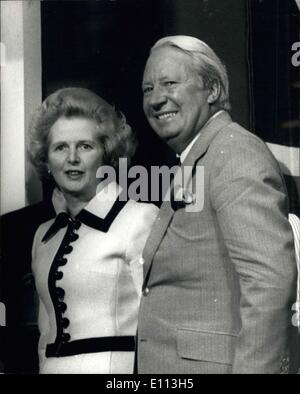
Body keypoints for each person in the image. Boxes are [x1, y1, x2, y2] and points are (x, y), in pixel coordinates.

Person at [137, 35, 297, 374]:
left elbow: (270, 281)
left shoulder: (233, 152)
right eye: (147, 89)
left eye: (169, 83)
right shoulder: (198, 157)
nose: (156, 99)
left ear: (212, 90)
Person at [28, 87, 158, 374]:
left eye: (85, 146)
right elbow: (45, 334)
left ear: (107, 154)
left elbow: (160, 326)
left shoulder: (139, 218)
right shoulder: (44, 235)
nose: (72, 158)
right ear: (47, 161)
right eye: (60, 147)